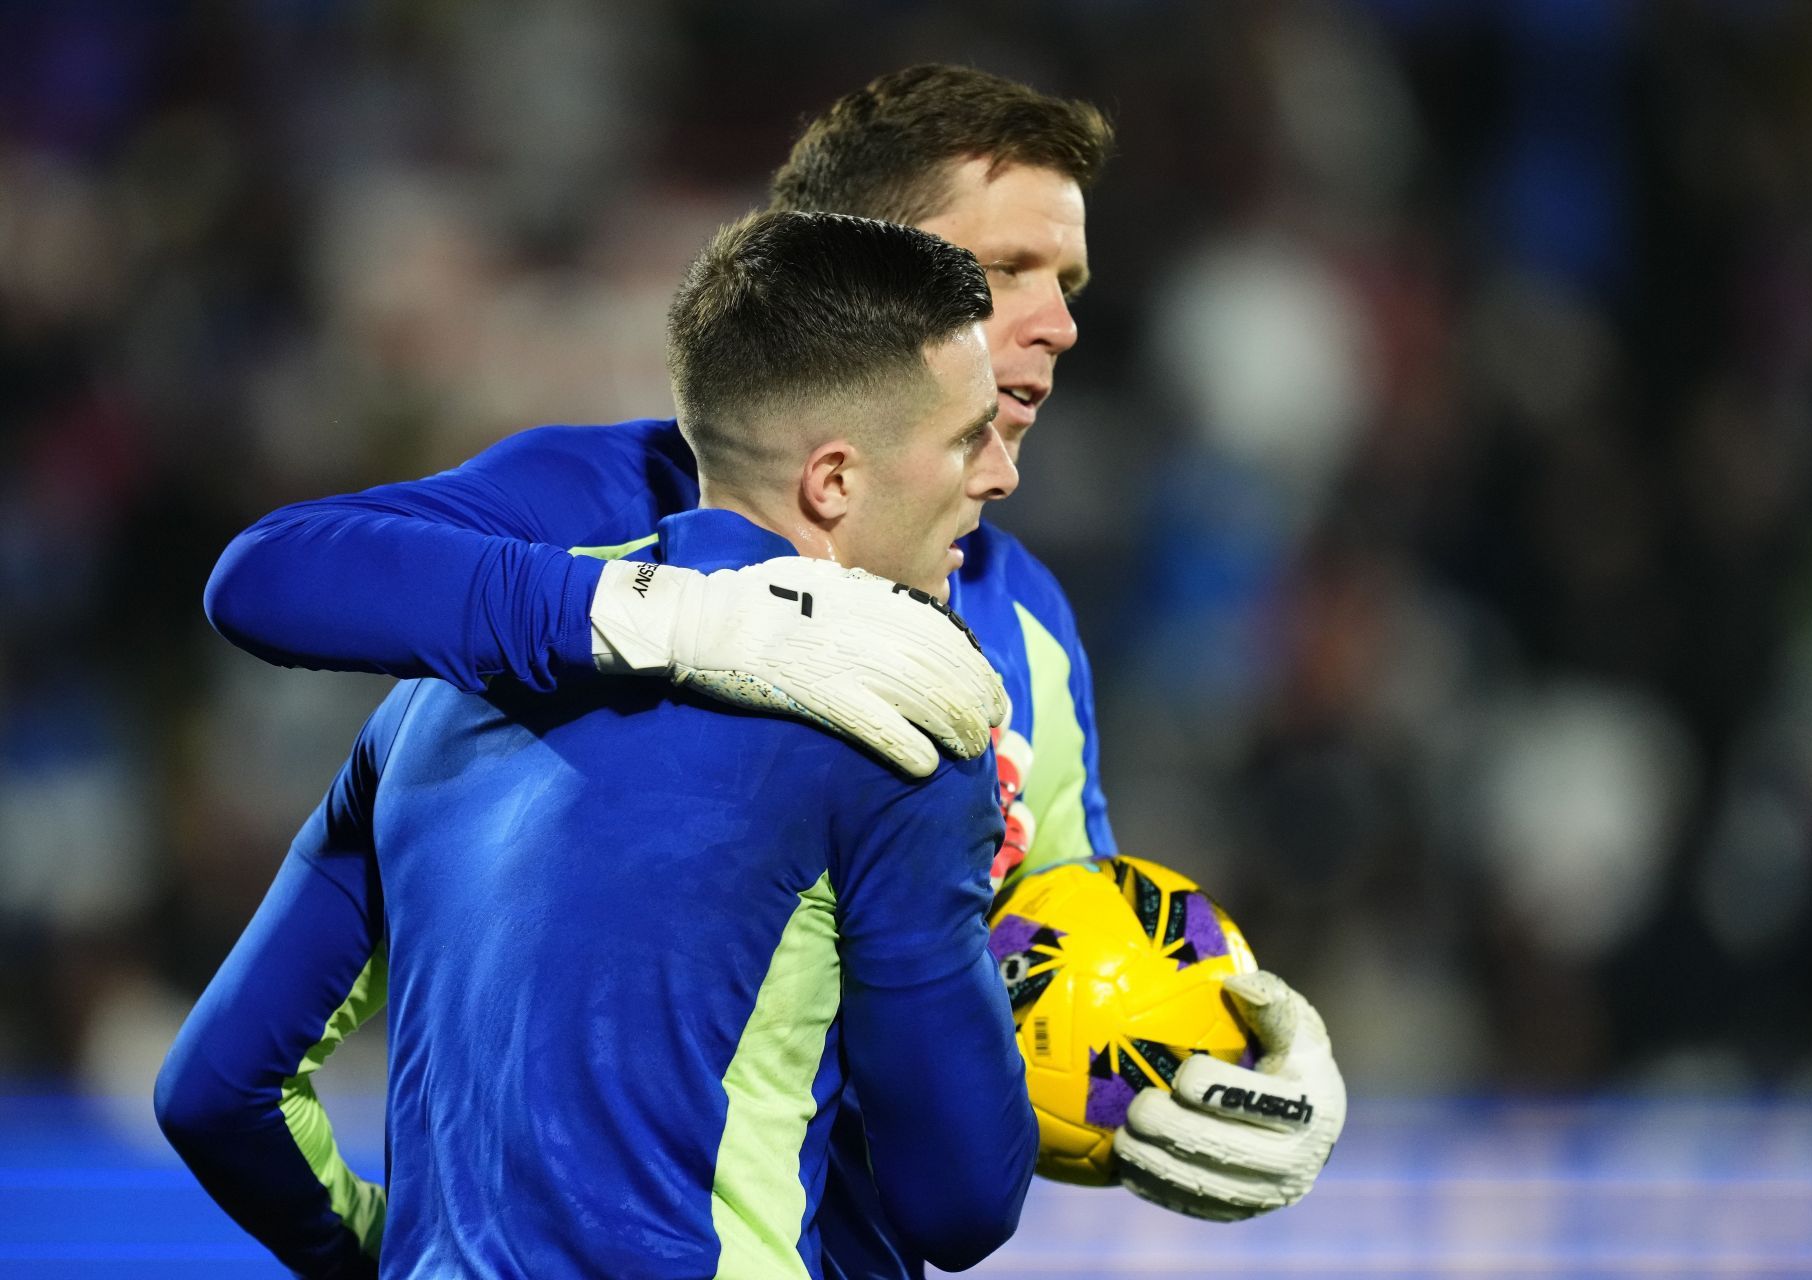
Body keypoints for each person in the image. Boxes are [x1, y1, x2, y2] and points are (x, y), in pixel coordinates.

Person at [199, 65, 1345, 1242]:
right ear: (863, 277)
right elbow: (272, 574)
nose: (1057, 320)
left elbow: (1039, 982)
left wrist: (1199, 1067)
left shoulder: (1031, 622)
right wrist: (676, 616)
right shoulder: (609, 493)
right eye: (1004, 272)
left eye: (1069, 279)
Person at [155, 210, 1038, 1279]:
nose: (1000, 474)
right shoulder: (892, 735)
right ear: (834, 480)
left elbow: (215, 1090)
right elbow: (959, 1204)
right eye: (966, 436)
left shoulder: (428, 706)